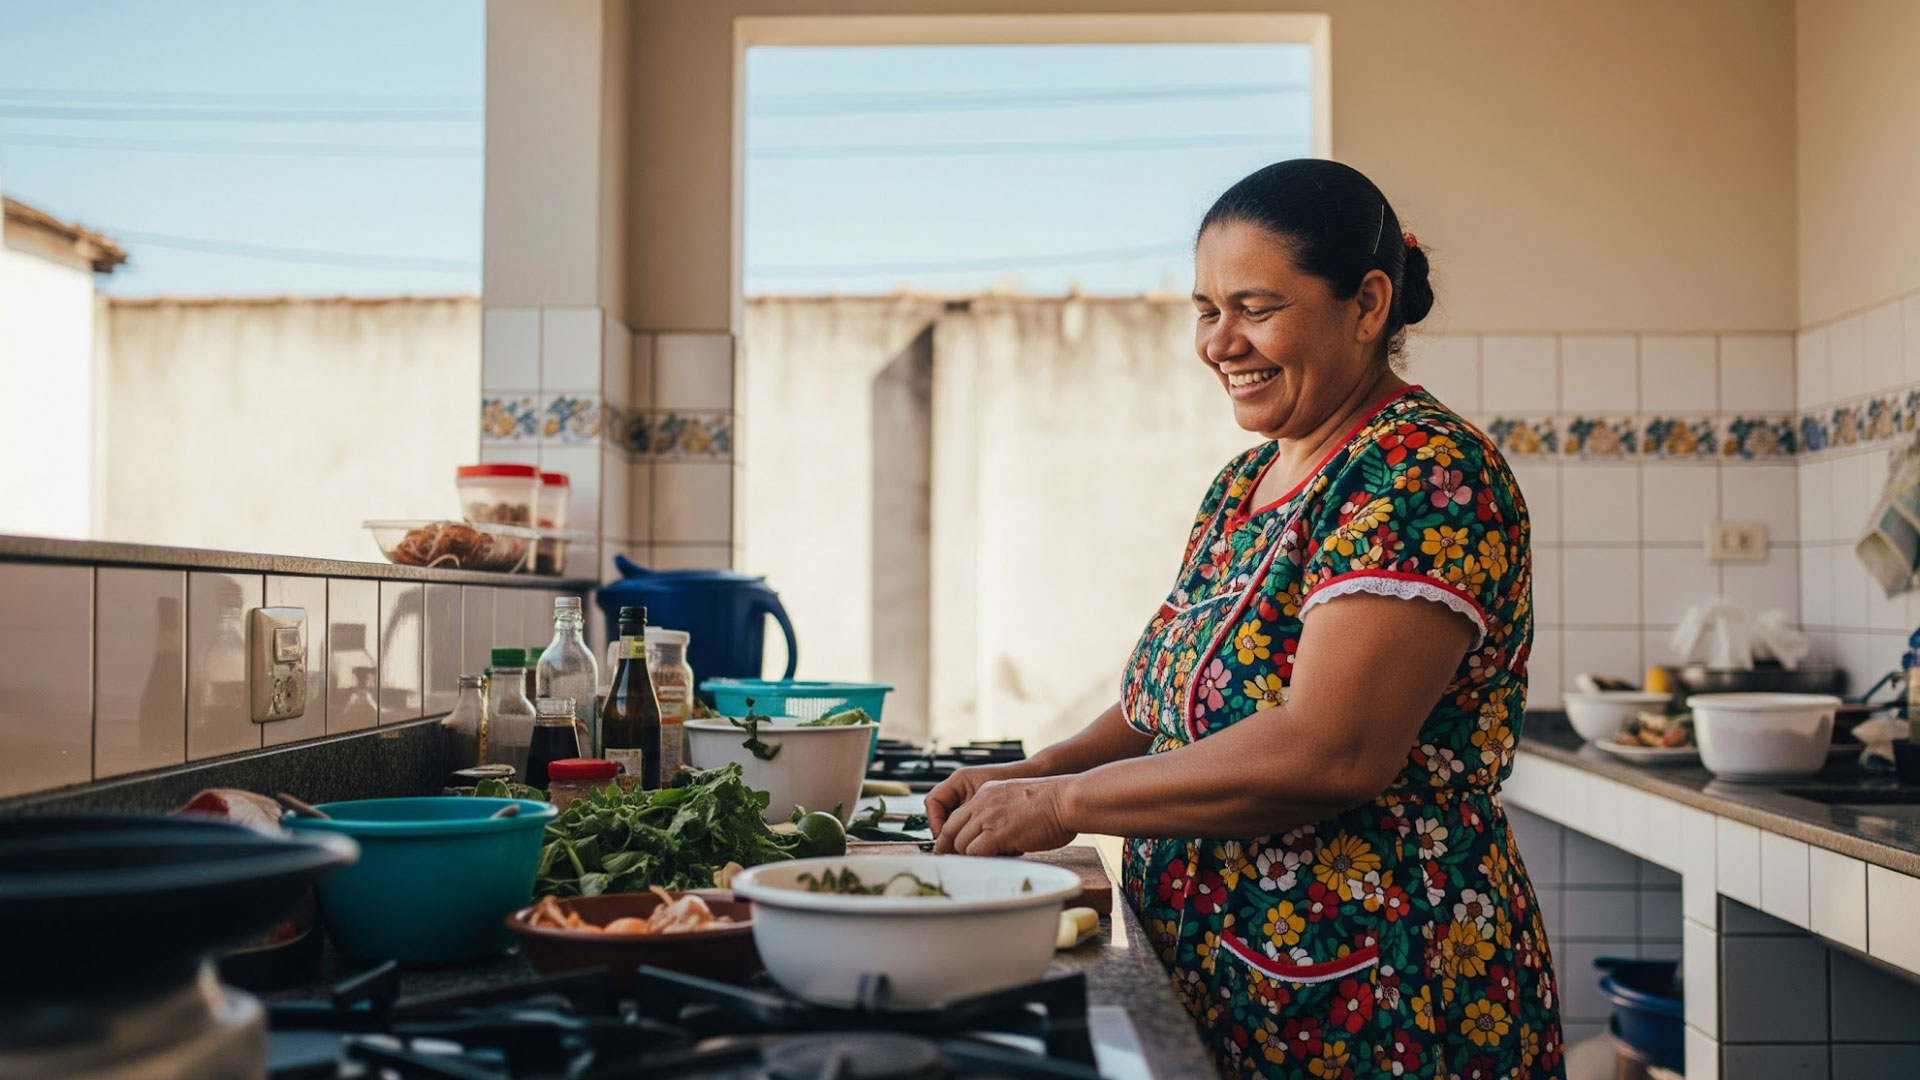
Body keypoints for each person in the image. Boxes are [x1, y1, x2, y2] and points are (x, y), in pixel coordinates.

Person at [927, 159, 1562, 1080]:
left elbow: (1330, 751)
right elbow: (1167, 709)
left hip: (1379, 991)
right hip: (1224, 973)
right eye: (1205, 309)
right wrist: (1030, 772)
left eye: (1255, 308)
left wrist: (1060, 806)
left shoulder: (1422, 473)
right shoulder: (1243, 485)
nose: (1219, 341)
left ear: (1369, 303)